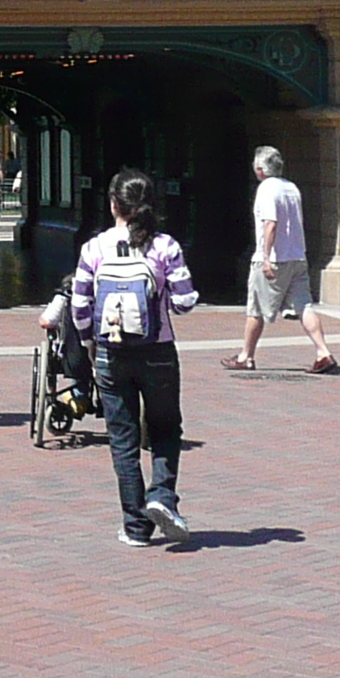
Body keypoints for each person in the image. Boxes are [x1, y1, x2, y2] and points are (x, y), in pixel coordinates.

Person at [47, 168, 201, 547]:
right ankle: (162, 496)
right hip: (158, 350)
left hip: (110, 354)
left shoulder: (94, 248)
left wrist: (88, 342)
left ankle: (135, 526)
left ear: (113, 204)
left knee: (123, 436)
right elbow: (183, 302)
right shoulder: (166, 246)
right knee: (165, 429)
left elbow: (80, 305)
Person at [231, 146, 339, 375]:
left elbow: (270, 223)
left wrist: (267, 257)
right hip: (297, 256)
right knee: (304, 305)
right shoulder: (291, 188)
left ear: (260, 169)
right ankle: (323, 352)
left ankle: (246, 356)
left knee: (256, 309)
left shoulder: (266, 190)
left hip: (275, 258)